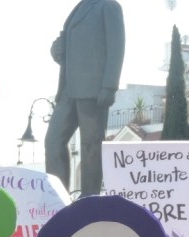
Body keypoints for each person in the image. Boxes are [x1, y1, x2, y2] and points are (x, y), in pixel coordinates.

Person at [45, 0, 125, 196]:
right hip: (68, 89)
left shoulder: (109, 6)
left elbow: (117, 47)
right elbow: (68, 43)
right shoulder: (80, 7)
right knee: (53, 141)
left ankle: (90, 197)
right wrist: (57, 49)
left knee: (91, 145)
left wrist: (109, 85)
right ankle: (57, 196)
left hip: (93, 89)